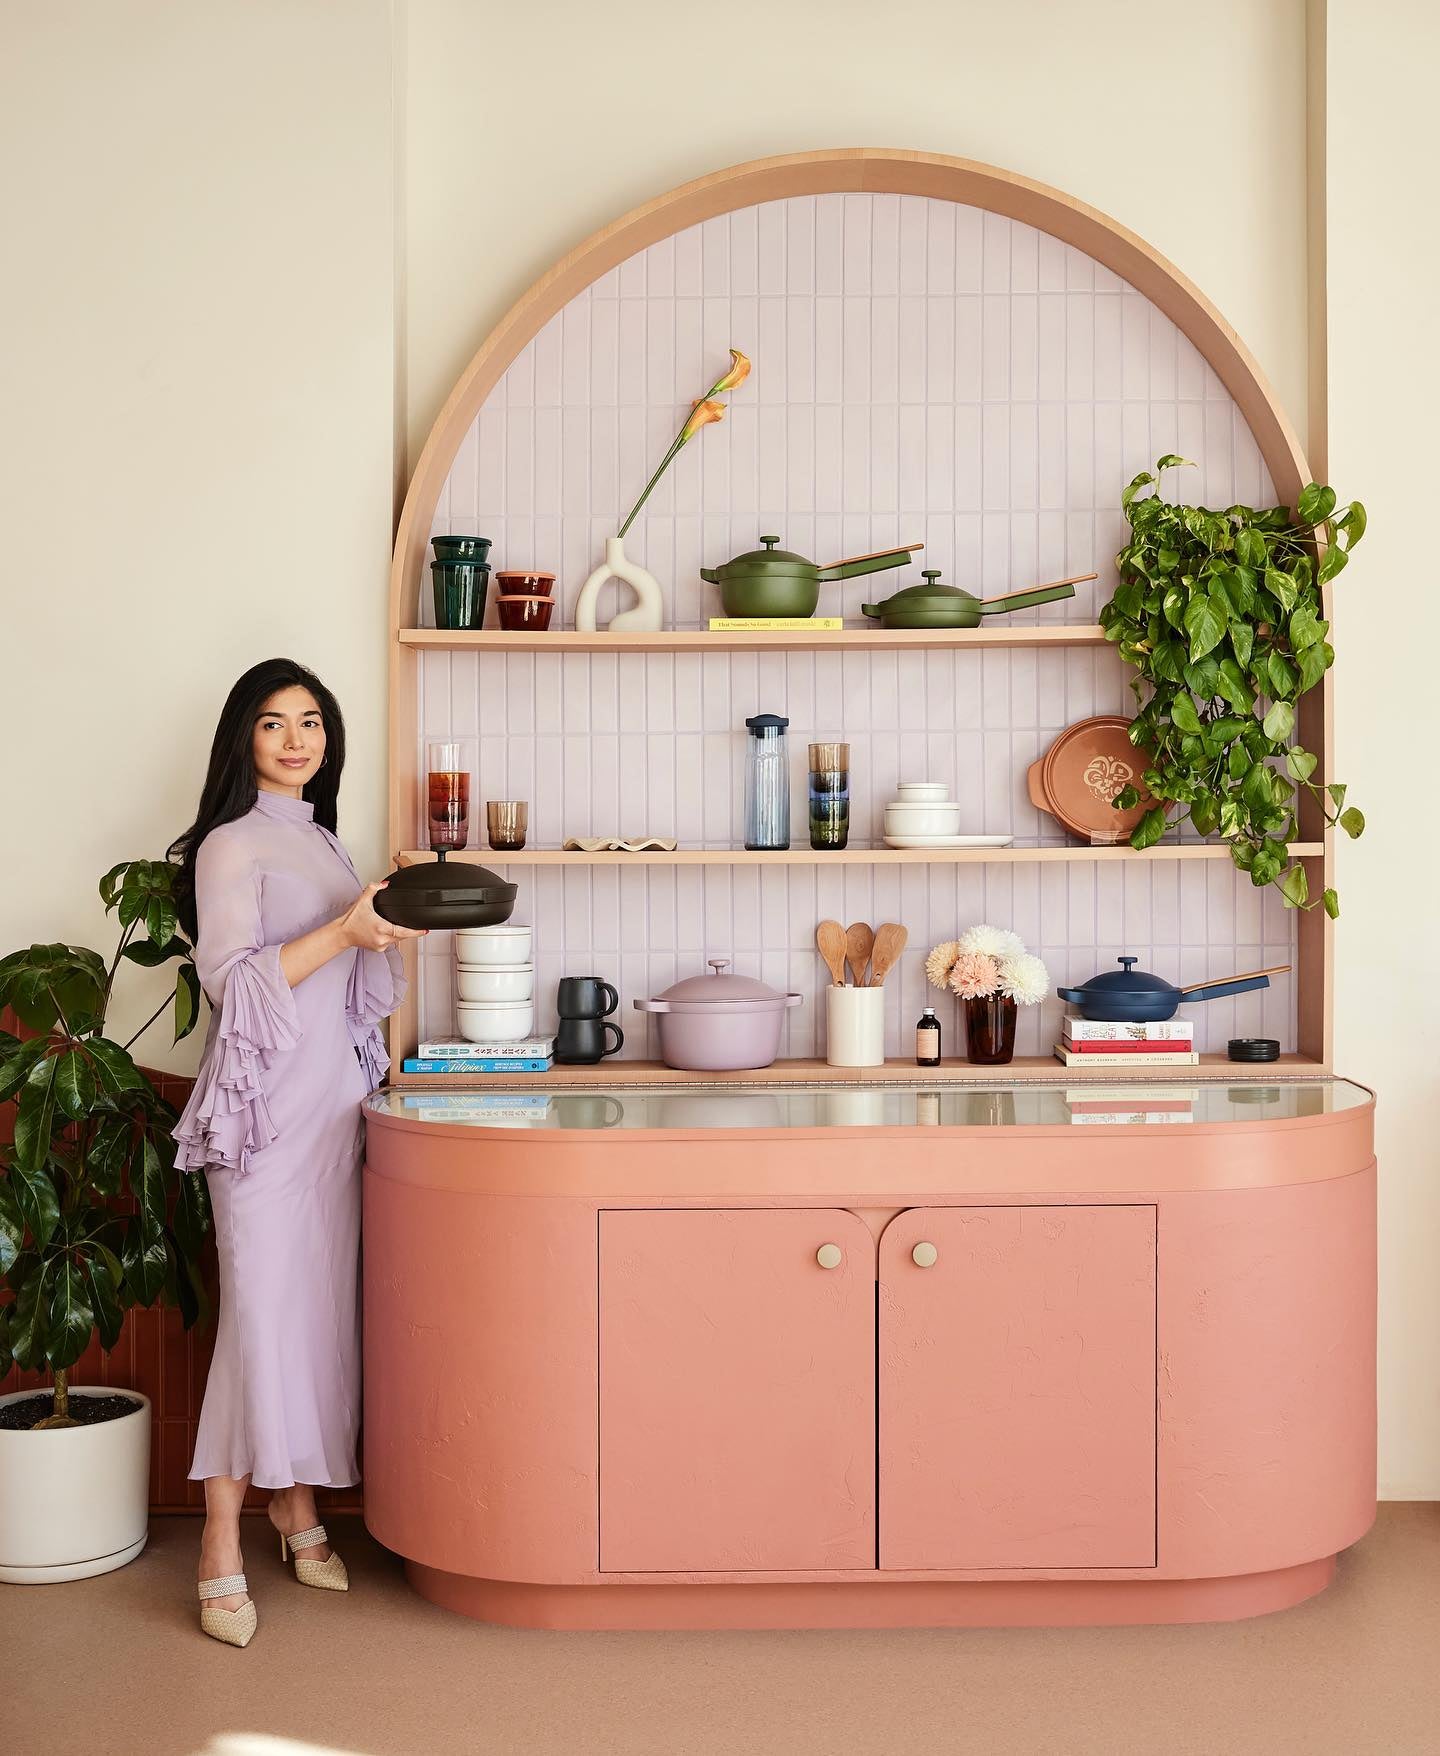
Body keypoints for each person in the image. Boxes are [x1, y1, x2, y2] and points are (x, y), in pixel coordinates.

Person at [168, 658, 423, 1648]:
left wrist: (380, 923)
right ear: (243, 739)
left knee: (314, 1313)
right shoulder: (229, 845)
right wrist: (345, 928)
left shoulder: (321, 838)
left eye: (310, 720)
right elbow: (235, 981)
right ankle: (220, 1538)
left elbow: (352, 984)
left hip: (330, 1111)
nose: (294, 738)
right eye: (272, 723)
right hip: (263, 1118)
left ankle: (295, 1506)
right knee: (260, 1320)